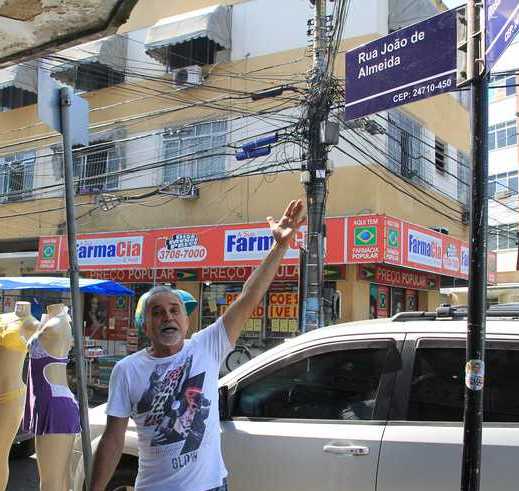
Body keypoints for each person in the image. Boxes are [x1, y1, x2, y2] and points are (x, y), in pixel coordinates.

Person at [90, 200, 305, 491]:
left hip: (212, 486)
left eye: (174, 310)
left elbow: (248, 297)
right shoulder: (127, 370)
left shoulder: (206, 346)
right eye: (157, 312)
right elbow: (113, 440)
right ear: (145, 326)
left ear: (187, 322)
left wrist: (280, 246)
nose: (168, 316)